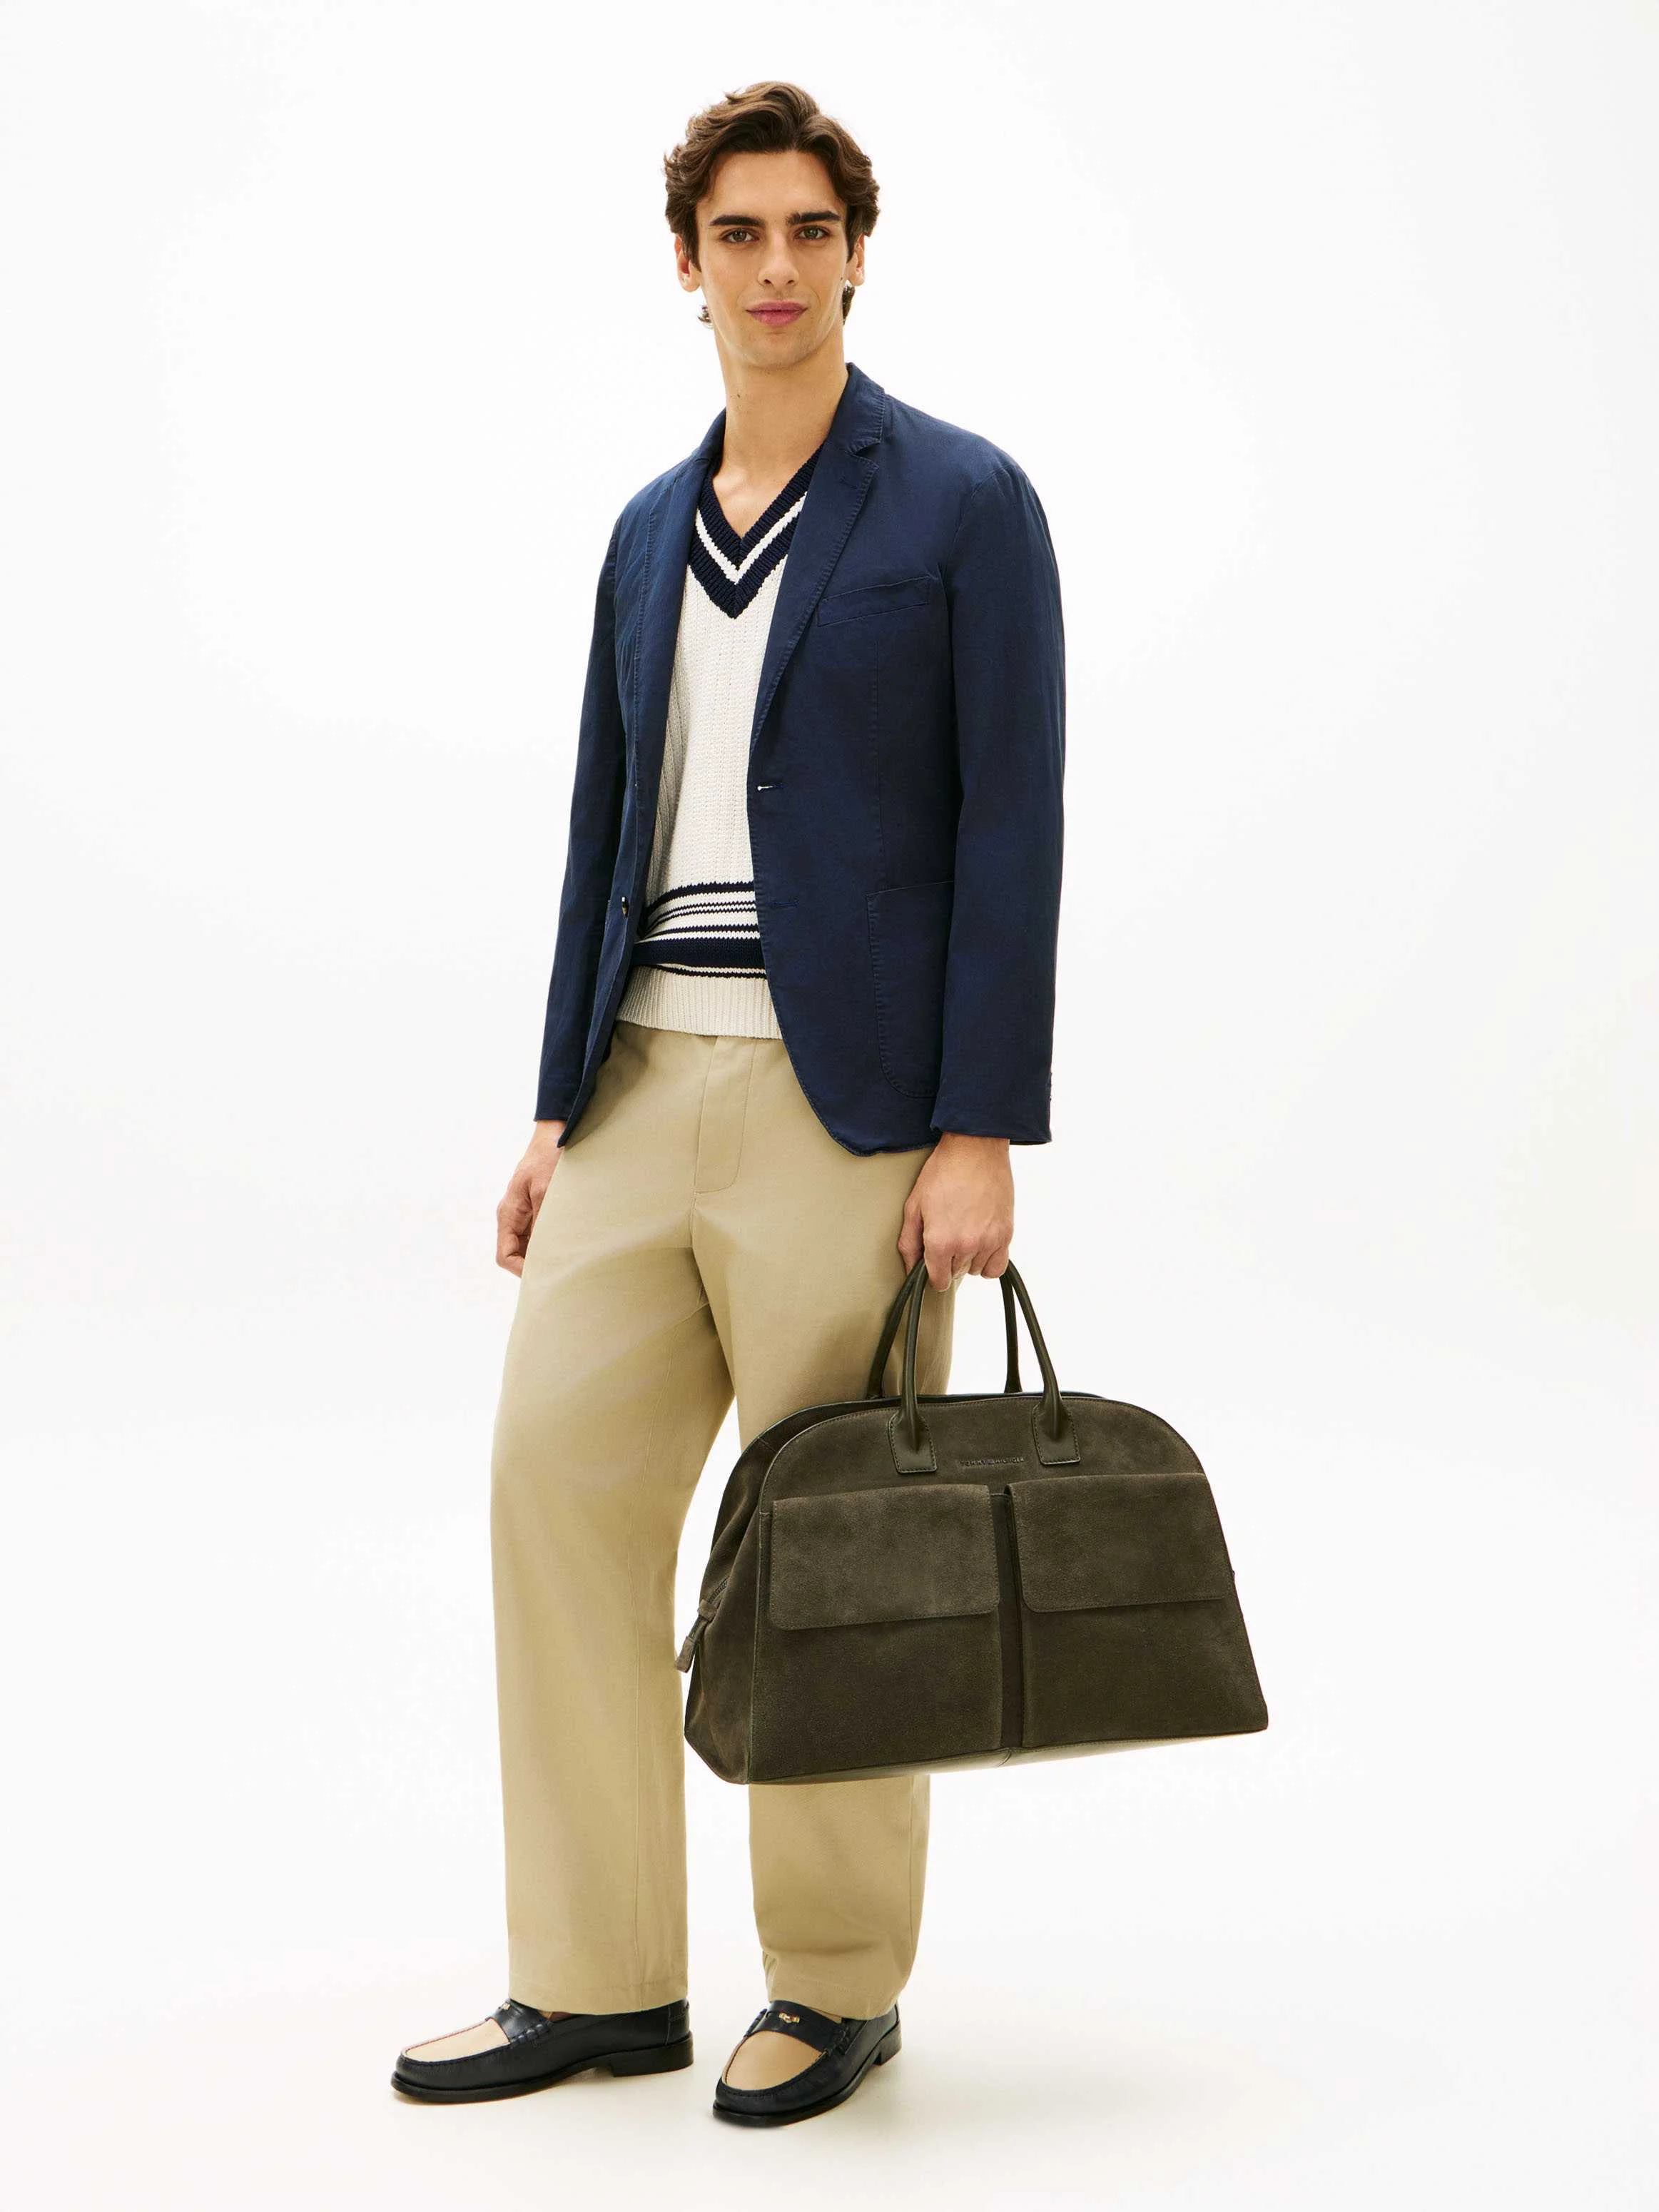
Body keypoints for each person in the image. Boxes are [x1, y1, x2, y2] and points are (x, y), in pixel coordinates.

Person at [392, 78, 1065, 2126]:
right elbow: (601, 827)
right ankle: (597, 1977)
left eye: (809, 231)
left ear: (857, 254)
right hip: (634, 1084)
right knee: (555, 1487)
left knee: (840, 1546)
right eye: (739, 234)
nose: (776, 267)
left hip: (844, 1111)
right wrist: (553, 1103)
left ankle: (836, 1984)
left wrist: (979, 1124)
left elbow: (1011, 824)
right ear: (685, 265)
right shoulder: (638, 532)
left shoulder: (961, 505)